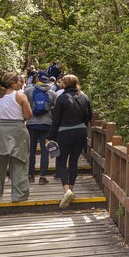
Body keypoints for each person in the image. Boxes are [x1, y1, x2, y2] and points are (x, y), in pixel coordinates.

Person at [47, 74, 92, 208]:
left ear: (65, 84)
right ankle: (71, 189)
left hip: (65, 132)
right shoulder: (84, 97)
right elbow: (89, 116)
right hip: (80, 132)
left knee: (61, 161)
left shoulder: (61, 98)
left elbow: (56, 120)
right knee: (73, 161)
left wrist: (49, 137)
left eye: (62, 82)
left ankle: (66, 190)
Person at [0, 71, 33, 202]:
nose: (21, 83)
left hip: (0, 130)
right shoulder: (20, 96)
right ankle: (19, 195)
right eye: (18, 81)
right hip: (18, 130)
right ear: (12, 84)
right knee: (20, 162)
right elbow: (28, 116)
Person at [24, 71, 56, 184]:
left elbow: (24, 106)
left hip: (31, 124)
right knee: (45, 151)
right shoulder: (52, 93)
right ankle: (42, 177)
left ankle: (30, 176)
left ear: (37, 78)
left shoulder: (28, 91)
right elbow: (55, 110)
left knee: (31, 150)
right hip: (47, 124)